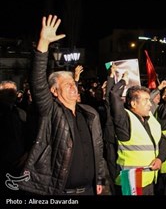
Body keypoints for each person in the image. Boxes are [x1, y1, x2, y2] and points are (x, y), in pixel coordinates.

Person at [19, 14, 106, 195]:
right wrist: (43, 45)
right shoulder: (50, 111)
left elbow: (97, 149)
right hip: (60, 191)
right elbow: (38, 82)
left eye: (74, 84)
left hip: (90, 189)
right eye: (67, 84)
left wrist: (99, 178)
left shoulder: (89, 113)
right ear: (54, 91)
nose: (73, 87)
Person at [109, 71, 166, 195]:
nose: (150, 103)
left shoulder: (150, 118)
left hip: (148, 181)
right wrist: (123, 81)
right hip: (131, 183)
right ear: (133, 103)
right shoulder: (124, 120)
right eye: (146, 100)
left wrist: (160, 158)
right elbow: (114, 95)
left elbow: (162, 141)